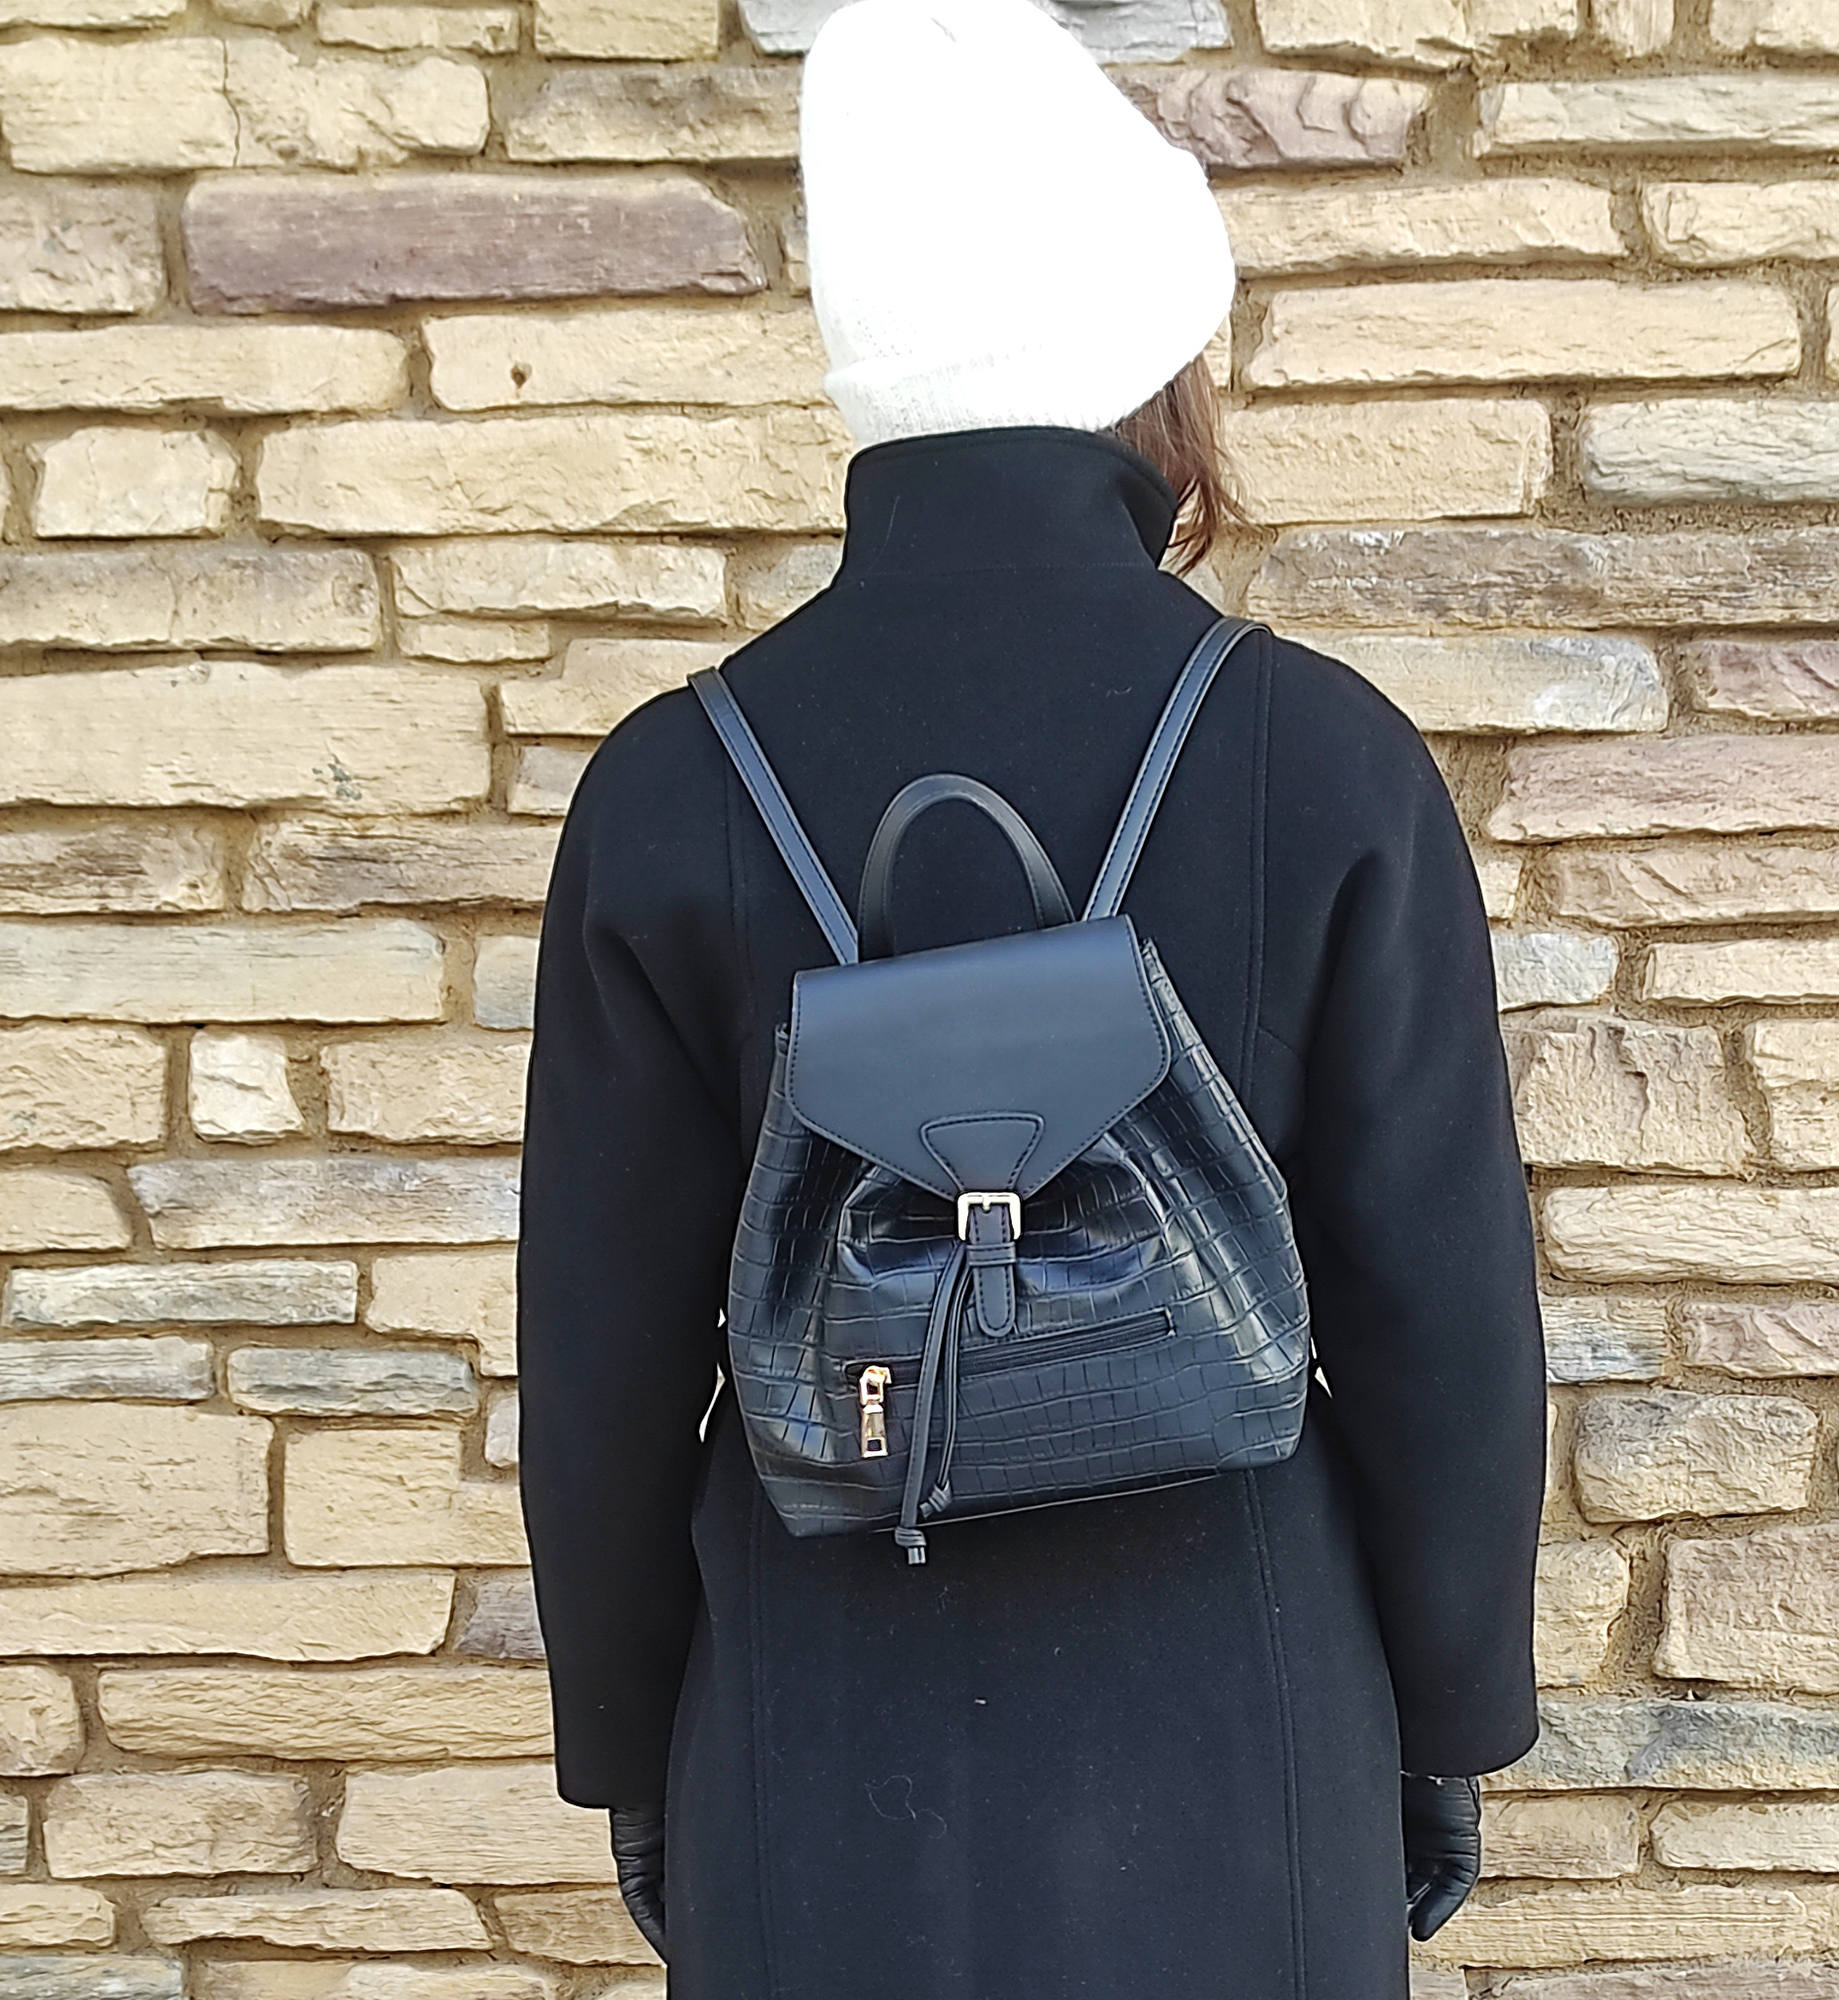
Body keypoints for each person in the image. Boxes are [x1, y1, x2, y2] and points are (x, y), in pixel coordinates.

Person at [513, 0, 1548, 1992]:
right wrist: (1443, 1722)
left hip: (813, 1736)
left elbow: (605, 1354)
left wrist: (636, 1750)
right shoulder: (1321, 756)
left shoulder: (667, 783)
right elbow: (1440, 1313)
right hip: (1245, 1721)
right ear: (1142, 354)